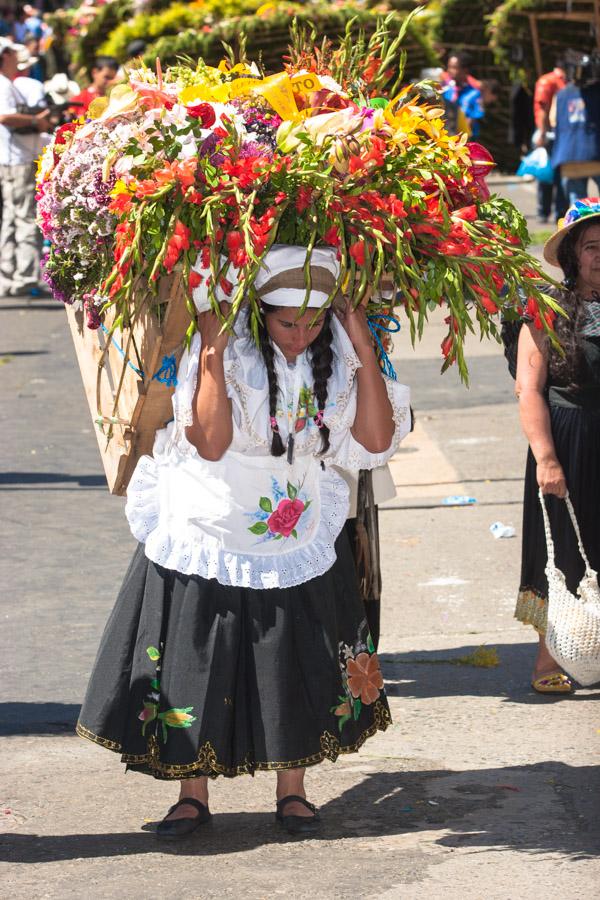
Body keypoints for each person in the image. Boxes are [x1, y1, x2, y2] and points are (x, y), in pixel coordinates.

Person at [77, 245, 411, 837]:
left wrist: (360, 342)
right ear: (259, 313)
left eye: (313, 321)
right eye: (286, 322)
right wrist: (209, 341)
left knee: (294, 652)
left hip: (298, 527)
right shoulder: (229, 352)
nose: (300, 335)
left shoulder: (335, 354)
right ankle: (191, 792)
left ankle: (294, 789)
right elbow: (209, 442)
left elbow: (377, 439)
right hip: (209, 521)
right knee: (199, 652)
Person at [508, 198, 600, 693]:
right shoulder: (546, 309)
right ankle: (549, 661)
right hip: (567, 441)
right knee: (564, 549)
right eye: (591, 247)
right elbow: (530, 388)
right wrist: (546, 457)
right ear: (572, 256)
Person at [0, 37, 50, 298]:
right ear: (5, 55)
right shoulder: (4, 84)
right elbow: (5, 117)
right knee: (23, 217)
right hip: (16, 160)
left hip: (11, 160)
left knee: (11, 217)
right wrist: (35, 120)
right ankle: (24, 276)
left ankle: (9, 275)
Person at [551, 57, 600, 208]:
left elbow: (553, 121)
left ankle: (581, 231)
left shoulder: (560, 95)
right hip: (596, 152)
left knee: (579, 206)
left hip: (569, 155)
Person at [533, 59, 567, 224]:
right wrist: (542, 132)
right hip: (549, 133)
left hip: (556, 133)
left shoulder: (555, 80)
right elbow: (543, 108)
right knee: (547, 174)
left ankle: (554, 211)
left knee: (556, 174)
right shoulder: (549, 81)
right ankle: (546, 211)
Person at [442, 51, 484, 138]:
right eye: (449, 67)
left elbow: (474, 117)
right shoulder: (445, 89)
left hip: (466, 139)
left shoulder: (474, 93)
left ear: (465, 70)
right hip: (446, 137)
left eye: (454, 67)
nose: (449, 71)